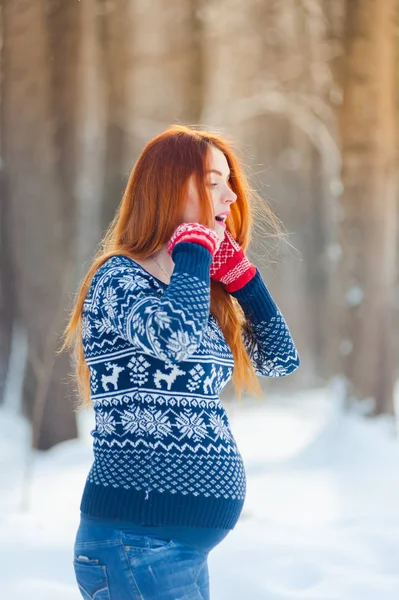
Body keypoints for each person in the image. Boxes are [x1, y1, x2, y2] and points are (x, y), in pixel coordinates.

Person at [61, 124, 300, 599]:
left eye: (230, 182)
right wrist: (192, 248)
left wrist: (242, 279)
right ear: (170, 187)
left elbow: (280, 360)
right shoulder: (118, 278)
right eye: (214, 182)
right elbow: (175, 340)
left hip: (175, 549)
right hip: (136, 542)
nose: (231, 196)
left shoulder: (192, 291)